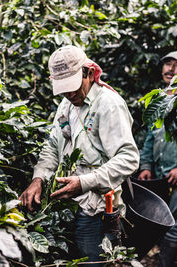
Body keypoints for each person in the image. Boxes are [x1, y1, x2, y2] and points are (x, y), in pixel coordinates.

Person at [19, 45, 139, 264]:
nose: (70, 93)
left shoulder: (109, 105)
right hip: (69, 205)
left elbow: (128, 158)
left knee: (93, 262)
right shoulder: (67, 104)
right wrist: (39, 178)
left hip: (97, 209)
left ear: (90, 73)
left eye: (73, 86)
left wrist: (84, 182)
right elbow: (54, 144)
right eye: (64, 88)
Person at [137, 51, 177, 267]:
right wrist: (145, 165)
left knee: (176, 225)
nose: (169, 69)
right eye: (167, 64)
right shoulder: (159, 98)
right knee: (161, 222)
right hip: (160, 175)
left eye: (176, 65)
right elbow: (150, 137)